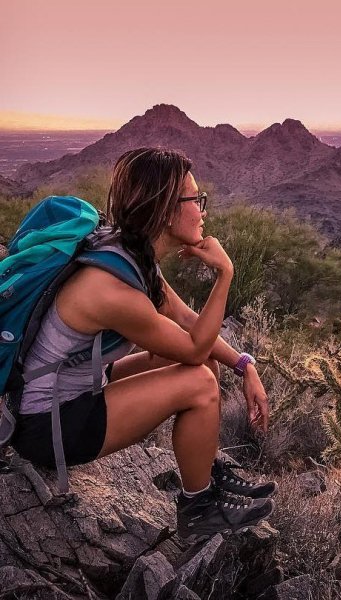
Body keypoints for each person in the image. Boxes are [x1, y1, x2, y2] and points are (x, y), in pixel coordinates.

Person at [10, 147, 276, 540]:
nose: (203, 211)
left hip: (75, 387)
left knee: (207, 368)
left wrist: (244, 365)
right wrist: (225, 274)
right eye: (195, 200)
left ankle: (204, 468)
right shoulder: (112, 290)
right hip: (49, 427)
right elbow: (195, 349)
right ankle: (198, 508)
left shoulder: (128, 253)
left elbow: (188, 321)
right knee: (199, 380)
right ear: (168, 210)